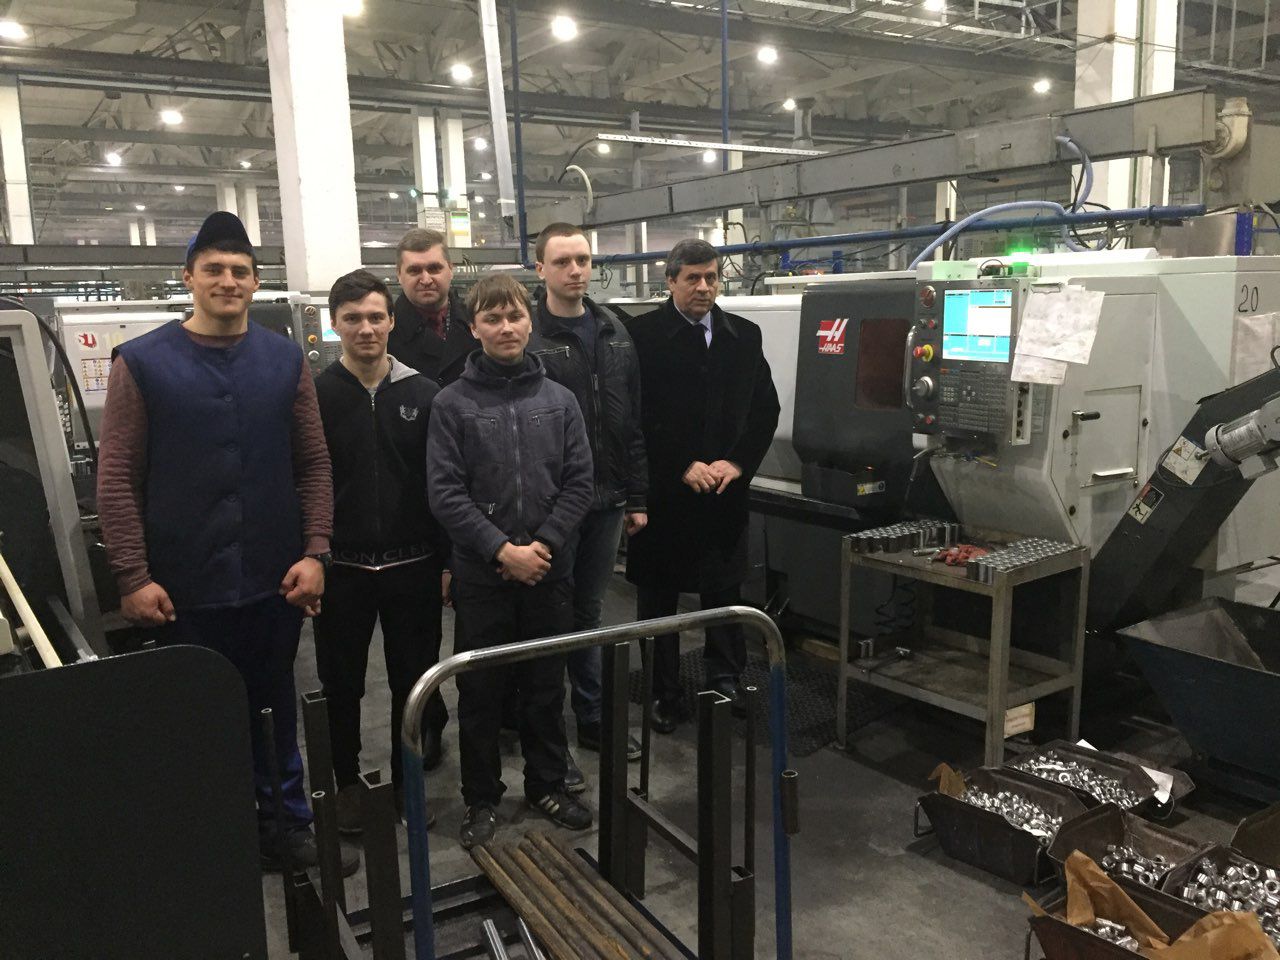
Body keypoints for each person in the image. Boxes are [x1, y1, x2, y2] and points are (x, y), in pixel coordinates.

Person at [96, 211, 355, 874]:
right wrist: (132, 575)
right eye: (213, 269)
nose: (228, 281)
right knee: (196, 717)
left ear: (256, 282)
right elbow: (117, 476)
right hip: (182, 588)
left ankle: (284, 824)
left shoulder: (284, 360)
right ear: (188, 277)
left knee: (274, 709)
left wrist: (315, 551)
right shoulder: (142, 363)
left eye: (240, 271)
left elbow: (313, 463)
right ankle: (211, 838)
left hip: (274, 579)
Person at [427, 272, 595, 849]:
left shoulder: (561, 401)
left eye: (515, 316)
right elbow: (445, 492)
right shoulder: (451, 404)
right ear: (473, 328)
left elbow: (580, 482)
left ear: (530, 322)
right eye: (492, 318)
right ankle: (481, 797)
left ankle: (547, 784)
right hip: (483, 578)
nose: (505, 327)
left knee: (546, 686)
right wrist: (501, 550)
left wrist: (541, 547)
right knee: (481, 692)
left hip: (548, 573)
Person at [312, 269, 449, 835]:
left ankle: (407, 784)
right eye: (352, 319)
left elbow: (443, 486)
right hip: (341, 570)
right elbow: (303, 482)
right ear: (335, 324)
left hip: (413, 566)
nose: (365, 328)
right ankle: (345, 785)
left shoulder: (426, 395)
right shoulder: (315, 396)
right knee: (340, 685)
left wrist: (446, 563)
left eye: (375, 317)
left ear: (392, 320)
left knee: (412, 685)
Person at [625, 238, 781, 734]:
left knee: (723, 593)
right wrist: (679, 466)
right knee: (659, 599)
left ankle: (725, 679)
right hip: (665, 496)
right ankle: (662, 691)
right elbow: (633, 417)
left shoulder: (744, 337)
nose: (704, 287)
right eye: (692, 278)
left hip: (722, 494)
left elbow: (766, 410)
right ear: (670, 281)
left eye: (712, 277)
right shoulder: (641, 338)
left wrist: (737, 463)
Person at [530, 223, 648, 784]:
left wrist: (637, 496)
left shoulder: (614, 331)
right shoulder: (529, 334)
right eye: (562, 261)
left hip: (608, 499)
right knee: (549, 615)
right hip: (551, 505)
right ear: (540, 269)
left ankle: (595, 718)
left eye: (582, 260)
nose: (575, 270)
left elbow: (632, 422)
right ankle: (545, 734)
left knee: (589, 613)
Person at [389, 228, 474, 388]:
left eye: (434, 269)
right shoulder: (385, 333)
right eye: (414, 270)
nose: (426, 280)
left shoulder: (477, 321)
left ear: (451, 269)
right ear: (399, 274)